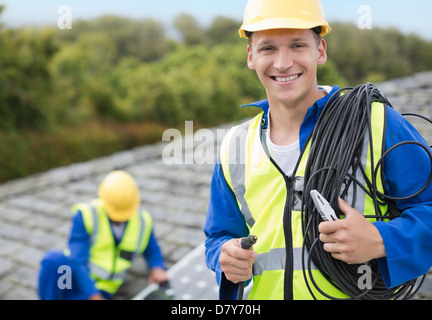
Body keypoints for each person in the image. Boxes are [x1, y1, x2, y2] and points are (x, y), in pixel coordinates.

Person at [204, 0, 432, 300]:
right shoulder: (235, 144)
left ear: (320, 51)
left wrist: (381, 240)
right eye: (268, 48)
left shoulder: (376, 123)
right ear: (251, 56)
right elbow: (218, 236)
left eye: (297, 45)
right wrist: (224, 256)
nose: (283, 63)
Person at [38, 170, 168, 300]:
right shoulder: (87, 215)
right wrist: (93, 295)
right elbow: (76, 259)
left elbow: (152, 249)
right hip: (72, 282)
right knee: (54, 260)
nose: (120, 219)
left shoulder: (143, 222)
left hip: (103, 290)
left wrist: (157, 267)